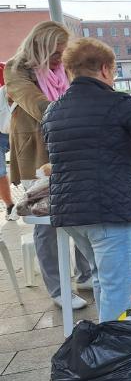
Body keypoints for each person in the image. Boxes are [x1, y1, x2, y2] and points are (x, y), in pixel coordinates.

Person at [43, 38, 131, 321]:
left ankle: (105, 349)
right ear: (106, 69)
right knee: (117, 290)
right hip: (109, 210)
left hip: (70, 213)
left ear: (70, 70)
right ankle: (115, 357)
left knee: (100, 279)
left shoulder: (53, 110)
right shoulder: (116, 102)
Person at [3, 21, 93, 309]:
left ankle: (85, 274)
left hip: (70, 145)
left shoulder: (63, 68)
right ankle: (58, 289)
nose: (59, 58)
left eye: (62, 53)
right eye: (55, 52)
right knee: (46, 221)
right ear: (40, 46)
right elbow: (37, 104)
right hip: (36, 152)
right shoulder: (16, 68)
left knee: (82, 212)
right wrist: (77, 114)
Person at [0, 62, 16, 218]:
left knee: (29, 166)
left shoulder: (6, 68)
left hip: (18, 127)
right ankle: (10, 205)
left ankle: (32, 198)